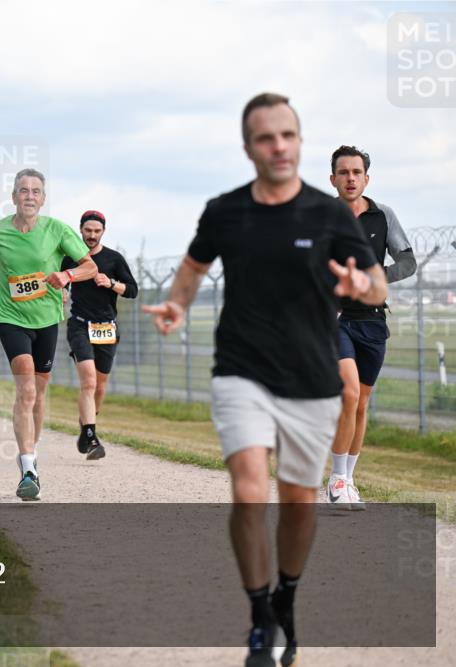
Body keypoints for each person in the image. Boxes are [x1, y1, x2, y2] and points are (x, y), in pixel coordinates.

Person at [142, 93, 387, 667]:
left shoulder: (328, 214)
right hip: (242, 370)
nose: (277, 146)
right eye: (264, 138)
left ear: (298, 143)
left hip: (310, 373)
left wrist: (361, 288)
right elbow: (193, 266)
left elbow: (377, 283)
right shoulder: (226, 210)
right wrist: (177, 304)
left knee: (298, 500)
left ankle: (288, 602)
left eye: (287, 135)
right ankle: (259, 616)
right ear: (249, 147)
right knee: (250, 490)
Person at [0, 168, 97, 500]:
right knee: (26, 389)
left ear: (43, 199)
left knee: (39, 395)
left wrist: (67, 275)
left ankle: (30, 450)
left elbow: (91, 267)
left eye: (35, 191)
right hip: (11, 317)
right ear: (13, 196)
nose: (29, 196)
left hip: (46, 320)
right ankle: (28, 468)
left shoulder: (57, 230)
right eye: (23, 190)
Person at [326, 145, 416, 510]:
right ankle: (335, 481)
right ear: (332, 179)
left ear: (366, 178)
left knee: (362, 404)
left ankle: (348, 480)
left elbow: (408, 262)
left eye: (356, 172)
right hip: (334, 320)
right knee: (348, 394)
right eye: (343, 172)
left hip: (373, 321)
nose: (350, 178)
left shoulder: (384, 216)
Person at [62, 210, 138, 460]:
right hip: (80, 325)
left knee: (100, 386)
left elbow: (133, 290)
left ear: (103, 231)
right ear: (80, 230)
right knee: (89, 380)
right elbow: (60, 284)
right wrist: (61, 292)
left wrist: (112, 284)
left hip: (106, 327)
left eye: (96, 231)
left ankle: (86, 426)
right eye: (88, 231)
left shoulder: (114, 259)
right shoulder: (71, 258)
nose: (92, 235)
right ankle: (93, 438)